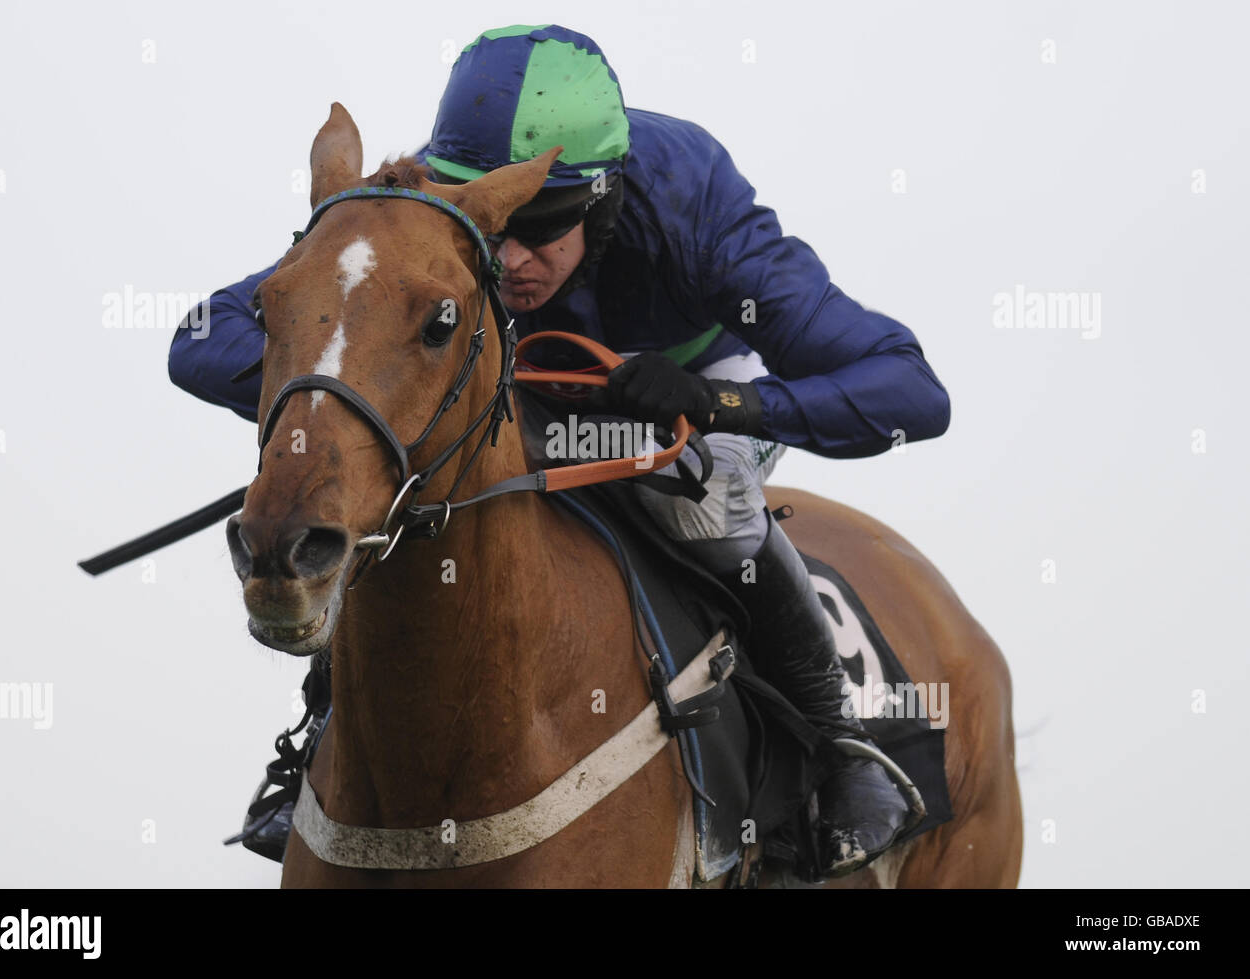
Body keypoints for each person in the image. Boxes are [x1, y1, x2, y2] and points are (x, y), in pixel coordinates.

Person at [169, 24, 950, 879]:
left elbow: (910, 390)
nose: (506, 256)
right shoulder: (442, 193)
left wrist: (721, 401)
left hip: (684, 389)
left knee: (709, 507)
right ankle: (319, 740)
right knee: (410, 499)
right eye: (492, 219)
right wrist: (367, 419)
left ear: (605, 200)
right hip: (505, 384)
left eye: (537, 223)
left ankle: (838, 750)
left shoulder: (699, 209)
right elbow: (205, 337)